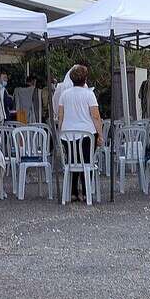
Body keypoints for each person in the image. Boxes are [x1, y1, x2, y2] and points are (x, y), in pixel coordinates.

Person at [58, 65, 103, 202]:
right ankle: (85, 191)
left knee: (72, 161)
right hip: (87, 134)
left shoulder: (64, 94)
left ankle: (72, 192)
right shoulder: (89, 94)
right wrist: (100, 135)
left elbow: (60, 116)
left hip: (67, 135)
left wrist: (61, 132)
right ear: (85, 78)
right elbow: (95, 116)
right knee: (86, 162)